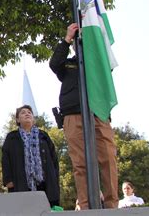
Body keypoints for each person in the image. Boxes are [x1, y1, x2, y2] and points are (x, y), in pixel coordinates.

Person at [49, 23, 118, 209]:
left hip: (99, 113)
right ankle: (86, 206)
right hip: (72, 115)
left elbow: (109, 66)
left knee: (108, 160)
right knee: (80, 164)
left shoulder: (100, 63)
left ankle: (112, 206)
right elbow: (54, 64)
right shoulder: (69, 63)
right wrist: (67, 38)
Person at [2, 105, 60, 207]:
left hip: (45, 183)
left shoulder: (43, 136)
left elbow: (54, 159)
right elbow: (5, 159)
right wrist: (8, 180)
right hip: (21, 183)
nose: (27, 114)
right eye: (23, 112)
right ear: (17, 119)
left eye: (29, 112)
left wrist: (55, 179)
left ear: (33, 119)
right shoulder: (12, 137)